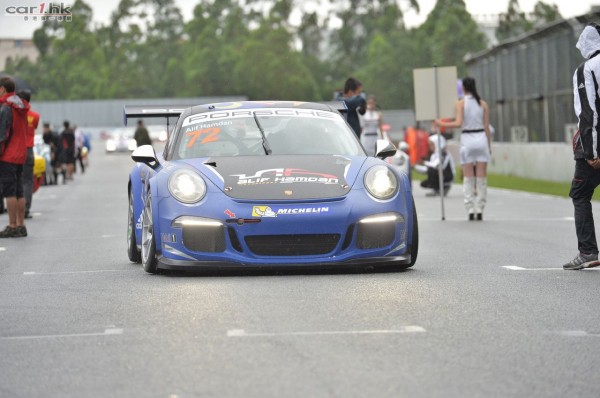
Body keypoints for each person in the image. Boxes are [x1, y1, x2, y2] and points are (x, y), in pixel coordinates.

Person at [563, 23, 600, 270]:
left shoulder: (585, 69)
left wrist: (592, 151)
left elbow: (589, 113)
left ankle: (587, 251)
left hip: (595, 145)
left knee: (580, 194)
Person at [435, 77, 491, 221]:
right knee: (481, 177)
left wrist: (441, 123)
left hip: (467, 139)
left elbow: (458, 123)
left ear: (464, 88)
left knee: (468, 176)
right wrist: (489, 146)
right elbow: (486, 127)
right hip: (481, 139)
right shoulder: (483, 104)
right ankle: (480, 207)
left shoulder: (461, 104)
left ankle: (470, 207)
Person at [0, 76, 31, 238]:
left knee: (9, 192)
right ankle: (21, 224)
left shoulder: (6, 107)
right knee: (19, 192)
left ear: (3, 89)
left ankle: (12, 225)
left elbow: (3, 134)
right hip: (21, 154)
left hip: (8, 155)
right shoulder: (21, 106)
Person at [17, 90, 39, 219]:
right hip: (29, 149)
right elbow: (33, 128)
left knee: (16, 179)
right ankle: (26, 209)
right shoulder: (35, 116)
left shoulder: (15, 114)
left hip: (17, 149)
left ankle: (16, 209)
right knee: (28, 181)